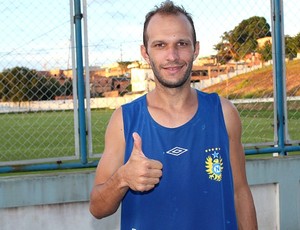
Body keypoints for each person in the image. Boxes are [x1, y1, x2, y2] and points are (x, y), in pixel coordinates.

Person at [89, 1, 258, 229]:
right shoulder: (124, 120)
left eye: (181, 43)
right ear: (145, 53)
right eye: (160, 45)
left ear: (195, 49)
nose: (172, 55)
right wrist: (123, 178)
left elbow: (240, 192)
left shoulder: (224, 113)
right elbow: (98, 209)